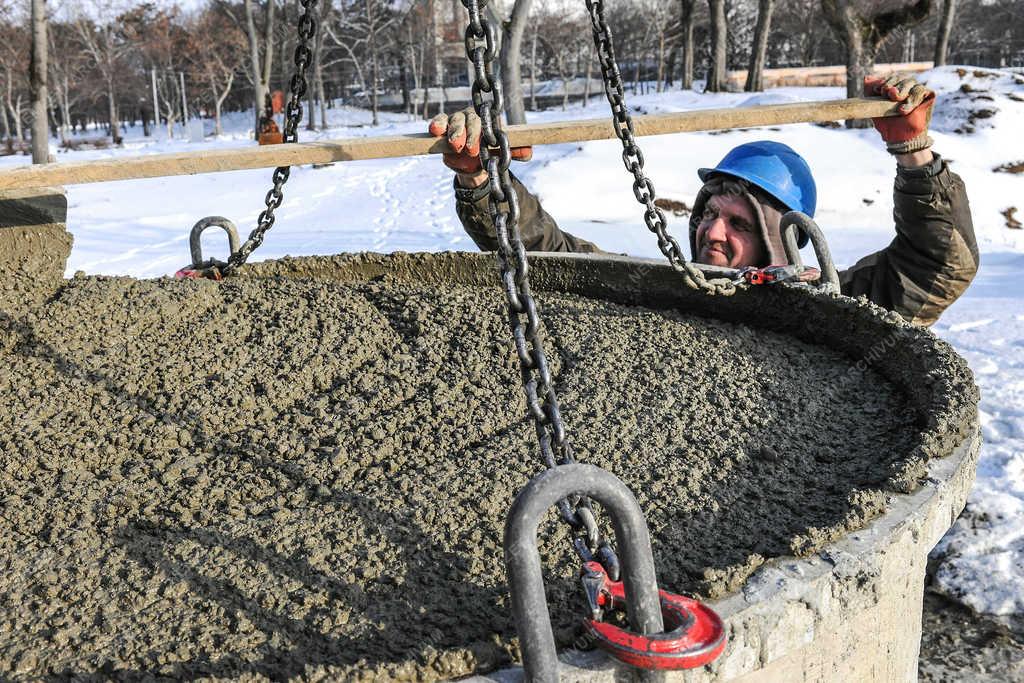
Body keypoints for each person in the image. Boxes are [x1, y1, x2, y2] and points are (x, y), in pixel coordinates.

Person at [428, 75, 978, 327]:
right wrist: (483, 180)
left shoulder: (835, 311)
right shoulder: (667, 294)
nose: (713, 232)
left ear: (782, 236)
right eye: (710, 213)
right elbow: (548, 253)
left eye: (739, 223)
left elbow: (939, 264)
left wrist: (913, 153)